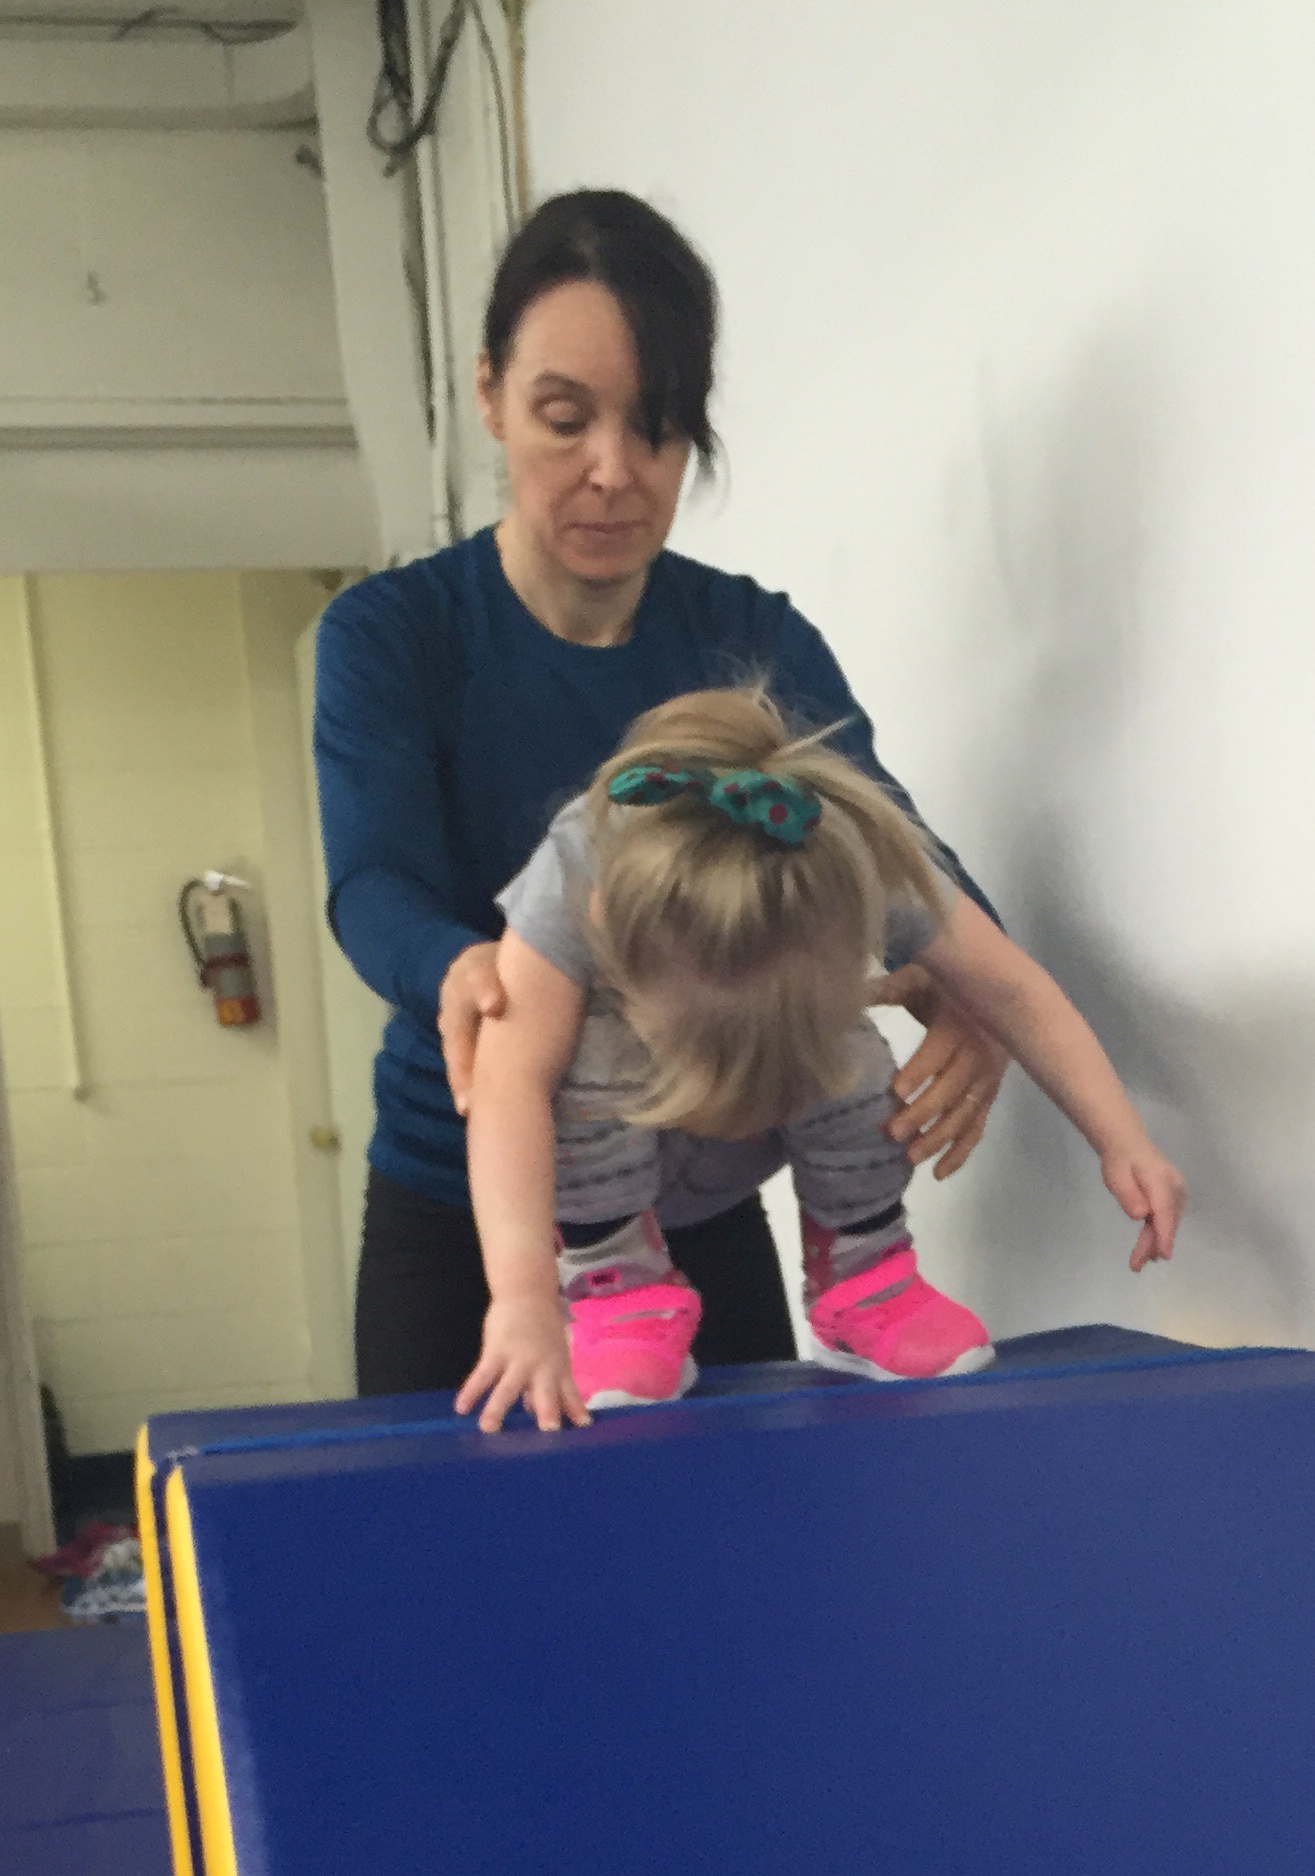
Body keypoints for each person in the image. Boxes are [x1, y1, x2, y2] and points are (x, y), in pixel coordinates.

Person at [314, 187, 1011, 1397]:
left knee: (735, 1517)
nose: (612, 472)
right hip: (458, 1195)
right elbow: (374, 879)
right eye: (564, 419)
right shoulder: (393, 634)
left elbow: (891, 842)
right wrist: (461, 970)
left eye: (656, 430)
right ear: (490, 395)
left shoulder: (749, 636)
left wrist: (976, 982)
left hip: (698, 1183)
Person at [458, 687, 1187, 1433]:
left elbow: (1012, 991)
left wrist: (1122, 1139)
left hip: (782, 1121)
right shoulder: (579, 875)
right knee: (575, 1060)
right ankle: (620, 1292)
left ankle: (863, 1278)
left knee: (854, 1058)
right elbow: (510, 1085)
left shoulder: (856, 862)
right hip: (616, 1133)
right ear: (609, 931)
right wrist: (523, 1298)